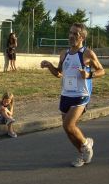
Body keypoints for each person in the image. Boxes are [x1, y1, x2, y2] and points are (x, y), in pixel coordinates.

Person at [40, 23, 105, 167]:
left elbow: (102, 70)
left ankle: (85, 144)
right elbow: (59, 73)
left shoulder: (87, 53)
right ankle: (83, 152)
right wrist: (49, 66)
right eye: (70, 33)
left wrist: (89, 75)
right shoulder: (64, 53)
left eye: (75, 34)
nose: (71, 36)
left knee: (68, 125)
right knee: (67, 129)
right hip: (66, 94)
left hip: (81, 94)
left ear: (82, 37)